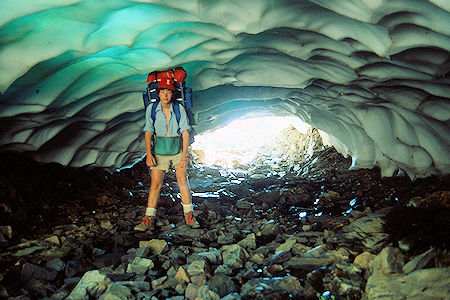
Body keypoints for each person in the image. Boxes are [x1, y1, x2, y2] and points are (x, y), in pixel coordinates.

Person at [135, 78, 199, 231]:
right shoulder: (152, 108)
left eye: (168, 92)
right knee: (155, 184)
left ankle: (189, 216)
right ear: (158, 93)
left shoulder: (179, 109)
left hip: (177, 149)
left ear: (172, 94)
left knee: (183, 181)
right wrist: (148, 154)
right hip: (159, 150)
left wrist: (184, 155)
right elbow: (148, 131)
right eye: (163, 92)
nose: (166, 95)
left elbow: (185, 132)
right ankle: (149, 218)